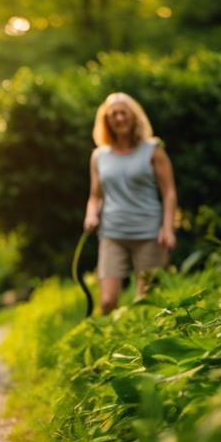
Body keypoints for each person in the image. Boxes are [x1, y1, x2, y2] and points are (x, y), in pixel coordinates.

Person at [83, 92, 176, 314]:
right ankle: (108, 344)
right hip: (112, 233)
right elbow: (95, 195)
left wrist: (168, 228)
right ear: (106, 121)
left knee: (146, 302)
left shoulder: (153, 149)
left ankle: (141, 345)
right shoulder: (99, 156)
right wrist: (91, 215)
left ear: (133, 116)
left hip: (148, 233)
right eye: (113, 114)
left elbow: (169, 191)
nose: (119, 118)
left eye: (123, 113)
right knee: (106, 302)